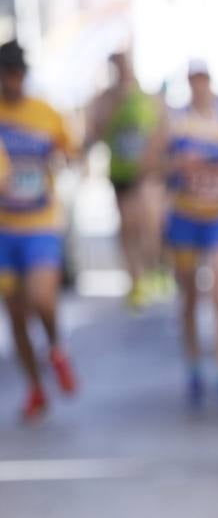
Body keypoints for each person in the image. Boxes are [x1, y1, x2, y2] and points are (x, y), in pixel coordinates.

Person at [154, 59, 218, 413]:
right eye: (193, 81)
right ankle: (194, 367)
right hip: (186, 218)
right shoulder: (175, 121)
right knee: (190, 296)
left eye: (204, 79)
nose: (199, 86)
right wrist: (178, 166)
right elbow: (154, 164)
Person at [0, 40, 79, 423]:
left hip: (40, 223)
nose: (13, 82)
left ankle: (56, 348)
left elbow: (71, 152)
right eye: (6, 75)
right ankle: (35, 387)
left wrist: (61, 158)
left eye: (18, 74)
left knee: (41, 298)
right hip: (3, 230)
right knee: (15, 315)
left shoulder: (45, 114)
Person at [88, 50, 167, 309]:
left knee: (150, 224)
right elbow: (95, 132)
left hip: (147, 173)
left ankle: (155, 268)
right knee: (128, 228)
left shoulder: (148, 98)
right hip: (120, 173)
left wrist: (153, 159)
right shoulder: (105, 99)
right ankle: (136, 280)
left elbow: (162, 129)